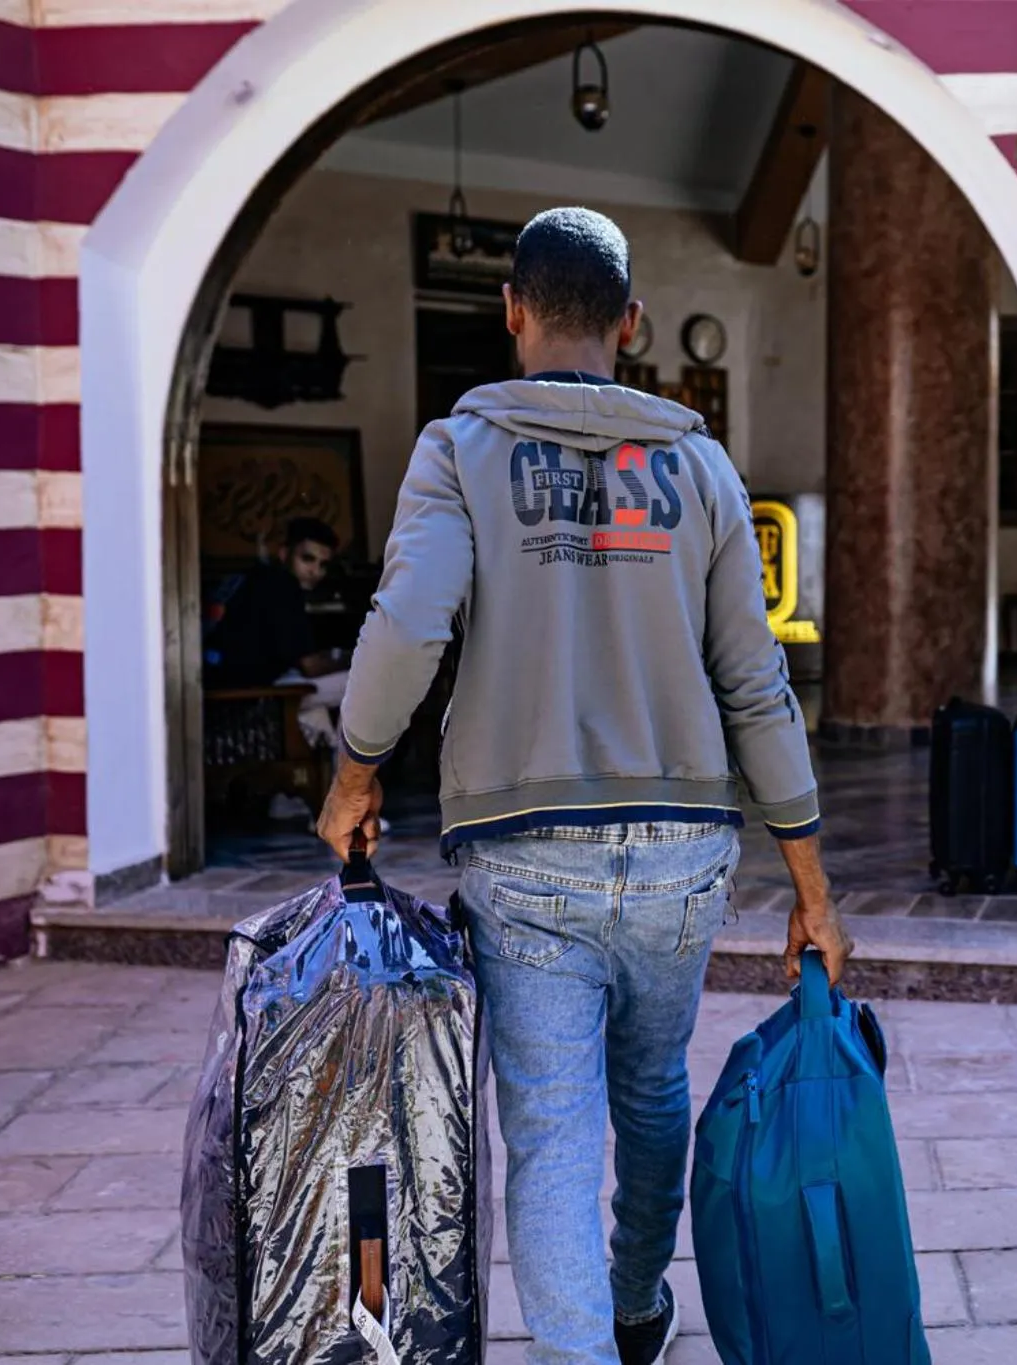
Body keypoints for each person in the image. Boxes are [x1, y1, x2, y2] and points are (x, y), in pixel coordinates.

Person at [314, 206, 852, 1365]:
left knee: (553, 1132)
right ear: (632, 322)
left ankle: (583, 1348)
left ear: (512, 312)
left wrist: (355, 772)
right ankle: (636, 1300)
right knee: (653, 1087)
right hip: (684, 851)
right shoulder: (701, 469)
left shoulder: (458, 451)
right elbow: (755, 685)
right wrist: (810, 882)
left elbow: (407, 627)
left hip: (524, 856)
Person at [204, 517, 351, 815]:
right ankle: (343, 806)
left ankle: (305, 803)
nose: (315, 571)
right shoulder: (281, 586)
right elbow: (309, 666)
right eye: (307, 559)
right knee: (368, 682)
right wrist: (357, 656)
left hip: (248, 688)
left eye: (323, 565)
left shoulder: (262, 579)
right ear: (284, 554)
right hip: (252, 696)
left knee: (314, 710)